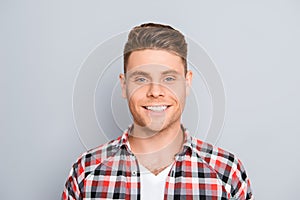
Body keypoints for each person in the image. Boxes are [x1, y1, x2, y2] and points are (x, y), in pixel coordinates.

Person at [62, 23, 254, 199]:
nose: (155, 92)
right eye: (141, 79)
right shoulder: (86, 172)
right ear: (124, 85)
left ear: (187, 83)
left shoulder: (227, 173)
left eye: (169, 79)